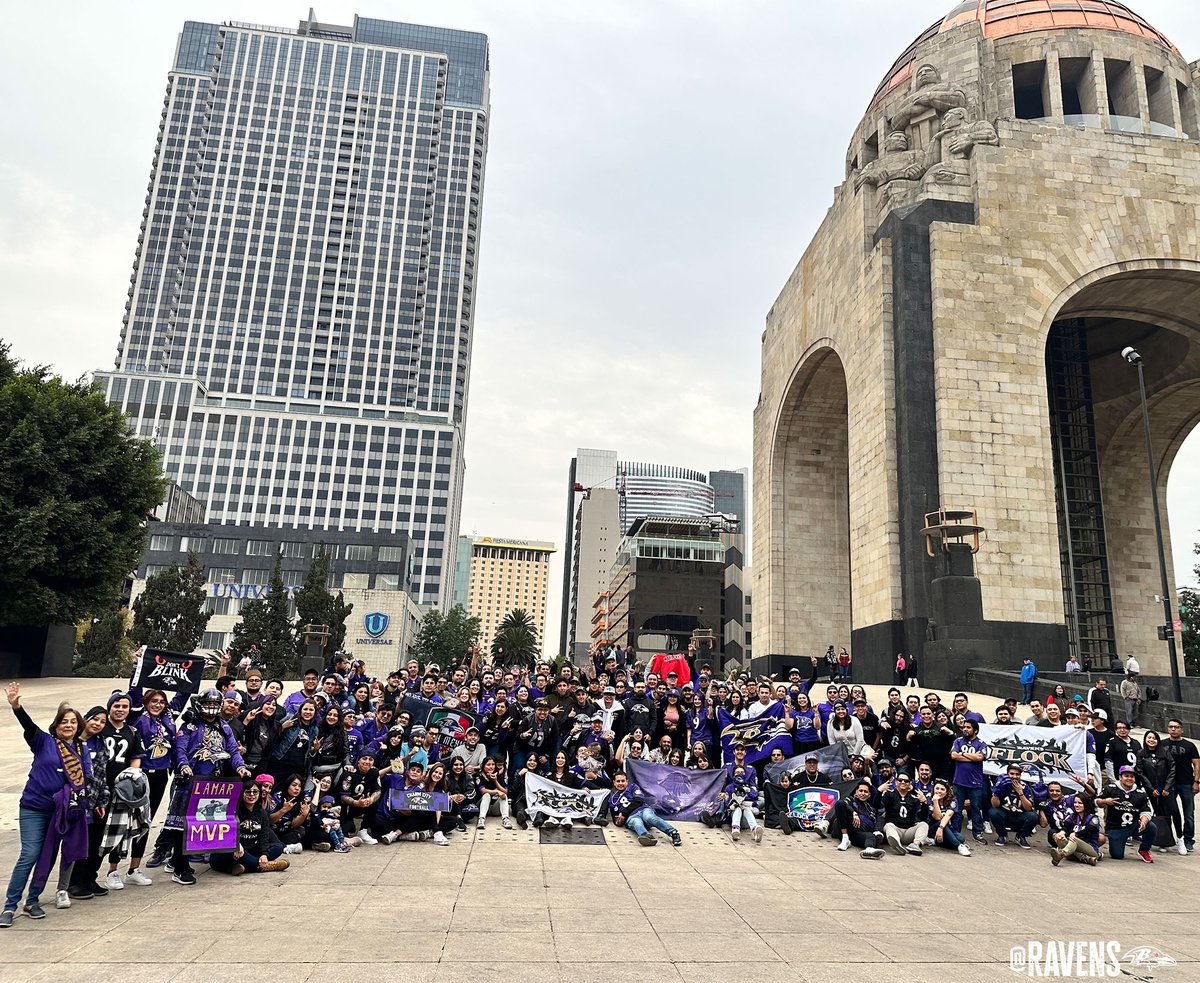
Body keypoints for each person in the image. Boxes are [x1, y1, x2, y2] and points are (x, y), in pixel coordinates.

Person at [3, 684, 94, 926]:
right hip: (33, 807)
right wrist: (16, 706)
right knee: (30, 854)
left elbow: (84, 781)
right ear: (56, 725)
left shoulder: (81, 750)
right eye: (64, 721)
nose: (68, 725)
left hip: (60, 813)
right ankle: (9, 906)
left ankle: (32, 901)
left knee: (47, 857)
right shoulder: (43, 741)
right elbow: (28, 725)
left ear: (78, 726)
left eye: (73, 722)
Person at [209, 782, 290, 874]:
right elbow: (223, 833)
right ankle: (263, 866)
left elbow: (264, 836)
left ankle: (243, 867)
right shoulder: (232, 811)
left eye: (255, 792)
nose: (251, 795)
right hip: (227, 853)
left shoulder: (262, 813)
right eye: (248, 792)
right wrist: (236, 844)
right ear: (242, 793)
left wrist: (264, 854)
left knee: (278, 847)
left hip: (249, 851)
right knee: (233, 850)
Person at [1097, 766, 1156, 863]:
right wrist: (1105, 801)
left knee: (1151, 827)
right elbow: (1096, 801)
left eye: (1132, 776)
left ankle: (1144, 850)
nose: (1129, 778)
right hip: (1116, 828)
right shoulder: (1111, 789)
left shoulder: (1140, 793)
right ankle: (1119, 842)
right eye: (1126, 776)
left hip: (1133, 825)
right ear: (1120, 777)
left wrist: (1144, 821)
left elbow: (1146, 811)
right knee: (1117, 855)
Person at [607, 771, 681, 847]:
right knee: (637, 822)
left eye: (623, 781)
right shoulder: (612, 800)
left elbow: (639, 801)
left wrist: (623, 813)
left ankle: (673, 833)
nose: (621, 783)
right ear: (614, 783)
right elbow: (615, 818)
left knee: (649, 817)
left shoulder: (633, 787)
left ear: (627, 781)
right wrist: (618, 822)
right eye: (618, 781)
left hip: (643, 810)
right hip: (631, 817)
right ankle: (646, 836)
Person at [1137, 731, 1179, 855]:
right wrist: (1150, 789)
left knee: (1173, 811)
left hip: (1167, 788)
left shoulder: (1164, 752)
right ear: (1145, 739)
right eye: (1149, 738)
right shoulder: (1141, 754)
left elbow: (1172, 768)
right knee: (1160, 813)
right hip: (1152, 789)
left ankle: (1179, 837)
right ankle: (1163, 841)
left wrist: (1167, 787)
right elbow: (1140, 772)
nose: (1151, 740)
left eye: (1154, 738)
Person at [1163, 718, 1199, 853]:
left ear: (1181, 730)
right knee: (1168, 812)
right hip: (1169, 784)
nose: (1174, 729)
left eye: (1177, 727)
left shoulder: (1189, 745)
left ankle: (1188, 840)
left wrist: (1196, 782)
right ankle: (1167, 840)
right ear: (1168, 729)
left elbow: (1196, 764)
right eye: (1171, 727)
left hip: (1186, 783)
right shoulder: (1163, 744)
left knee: (1188, 814)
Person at [950, 719, 988, 844]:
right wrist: (971, 757)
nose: (965, 729)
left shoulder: (982, 744)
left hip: (975, 783)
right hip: (958, 782)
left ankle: (978, 833)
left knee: (976, 809)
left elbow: (980, 757)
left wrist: (962, 754)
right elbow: (954, 756)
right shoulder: (958, 741)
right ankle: (956, 832)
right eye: (964, 727)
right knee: (957, 809)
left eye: (968, 727)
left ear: (975, 730)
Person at [987, 764, 1038, 848]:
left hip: (1019, 816)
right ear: (1007, 774)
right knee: (993, 812)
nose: (1014, 776)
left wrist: (1020, 792)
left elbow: (1028, 808)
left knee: (1034, 816)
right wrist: (997, 792)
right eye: (1012, 774)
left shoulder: (1025, 787)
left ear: (1020, 776)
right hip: (1004, 815)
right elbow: (994, 805)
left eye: (1017, 774)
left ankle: (1020, 836)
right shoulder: (1002, 783)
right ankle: (1002, 835)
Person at [880, 771, 930, 856]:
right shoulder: (889, 794)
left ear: (910, 783)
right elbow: (877, 805)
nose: (903, 782)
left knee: (924, 825)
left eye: (906, 781)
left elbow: (923, 817)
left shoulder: (914, 798)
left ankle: (915, 845)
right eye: (900, 780)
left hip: (909, 830)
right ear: (896, 782)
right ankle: (897, 846)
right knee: (888, 826)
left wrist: (924, 802)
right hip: (895, 829)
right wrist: (879, 791)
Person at [833, 780, 885, 858]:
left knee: (871, 835)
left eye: (865, 792)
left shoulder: (871, 809)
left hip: (858, 834)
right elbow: (841, 804)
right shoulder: (850, 800)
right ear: (856, 792)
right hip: (844, 829)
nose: (863, 793)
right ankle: (845, 838)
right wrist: (854, 812)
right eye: (860, 791)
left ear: (869, 795)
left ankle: (869, 850)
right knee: (840, 804)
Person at [1051, 795, 1101, 867]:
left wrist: (1076, 834)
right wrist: (1061, 833)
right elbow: (1066, 827)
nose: (1076, 805)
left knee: (1074, 839)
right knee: (1058, 838)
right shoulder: (1072, 816)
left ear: (1086, 804)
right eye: (1075, 802)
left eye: (1080, 803)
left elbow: (1089, 830)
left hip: (1090, 848)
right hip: (1073, 849)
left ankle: (1062, 853)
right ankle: (1087, 858)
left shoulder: (1093, 818)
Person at [930, 779, 971, 856]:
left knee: (961, 838)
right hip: (933, 828)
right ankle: (959, 846)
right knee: (941, 823)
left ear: (946, 792)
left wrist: (941, 828)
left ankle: (935, 842)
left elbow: (948, 815)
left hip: (948, 829)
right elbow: (937, 817)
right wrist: (935, 802)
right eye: (937, 788)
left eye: (942, 789)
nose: (939, 791)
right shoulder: (930, 799)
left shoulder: (953, 801)